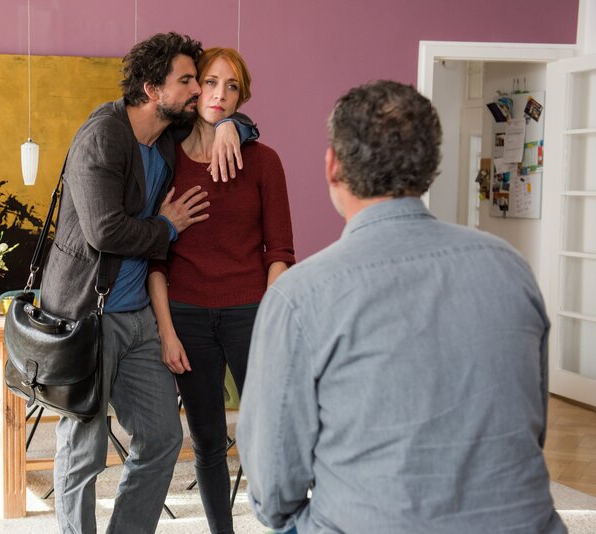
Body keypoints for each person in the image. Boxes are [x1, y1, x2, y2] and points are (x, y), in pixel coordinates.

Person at [236, 80, 565, 534]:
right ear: (429, 168)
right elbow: (532, 427)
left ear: (333, 166)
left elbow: (273, 491)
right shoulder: (511, 267)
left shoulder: (299, 296)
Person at [39, 32, 258, 534]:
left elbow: (227, 114)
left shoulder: (166, 134)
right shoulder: (103, 136)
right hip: (87, 315)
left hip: (139, 317)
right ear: (152, 89)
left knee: (161, 438)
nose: (197, 91)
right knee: (84, 450)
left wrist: (231, 124)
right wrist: (167, 226)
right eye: (187, 81)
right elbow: (105, 232)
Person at [148, 47, 294, 534]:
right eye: (210, 82)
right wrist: (167, 331)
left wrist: (269, 321)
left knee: (268, 435)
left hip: (250, 313)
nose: (219, 94)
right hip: (186, 315)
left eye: (231, 87)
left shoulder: (265, 162)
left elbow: (280, 251)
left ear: (241, 98)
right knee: (208, 441)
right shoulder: (167, 160)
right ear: (195, 89)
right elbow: (156, 259)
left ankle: (282, 523)